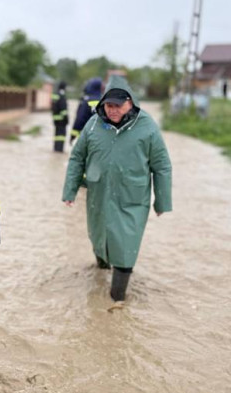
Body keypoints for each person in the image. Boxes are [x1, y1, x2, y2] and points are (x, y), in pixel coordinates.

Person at [62, 76, 172, 302]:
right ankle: (100, 273)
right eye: (108, 105)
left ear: (131, 102)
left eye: (117, 106)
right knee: (98, 236)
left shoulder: (148, 127)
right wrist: (69, 190)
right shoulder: (93, 124)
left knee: (125, 246)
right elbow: (76, 158)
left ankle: (117, 300)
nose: (112, 110)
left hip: (132, 198)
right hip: (98, 195)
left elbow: (161, 166)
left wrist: (161, 201)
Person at [69, 77, 103, 145]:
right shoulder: (104, 101)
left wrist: (73, 136)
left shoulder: (86, 100)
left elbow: (79, 119)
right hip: (101, 138)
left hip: (86, 137)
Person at [51, 80, 68, 152]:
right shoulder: (62, 96)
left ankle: (56, 148)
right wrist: (66, 118)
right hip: (61, 119)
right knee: (61, 135)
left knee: (57, 134)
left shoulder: (55, 94)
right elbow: (63, 108)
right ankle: (59, 149)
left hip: (55, 118)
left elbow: (53, 107)